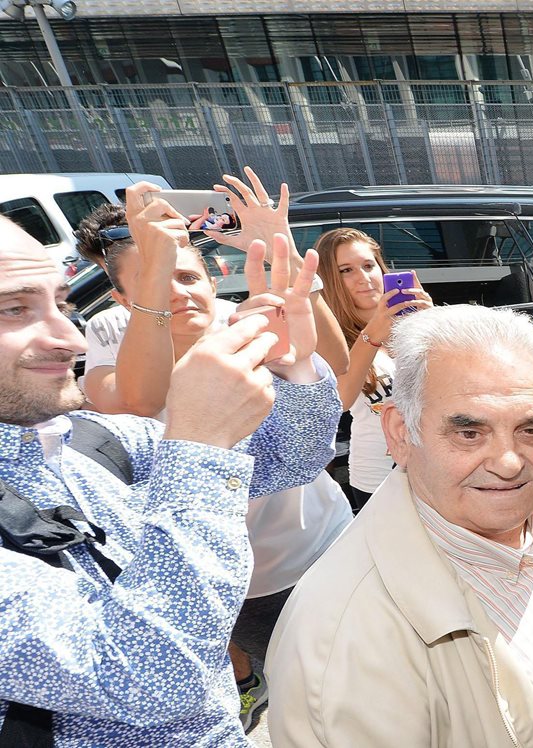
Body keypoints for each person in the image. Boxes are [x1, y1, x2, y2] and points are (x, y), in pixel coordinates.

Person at [0, 215, 340, 745]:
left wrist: (289, 368)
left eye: (62, 305)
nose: (69, 336)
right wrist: (201, 443)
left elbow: (284, 461)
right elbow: (151, 674)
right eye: (15, 309)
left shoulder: (84, 439)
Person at [266, 304, 533, 748]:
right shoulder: (344, 636)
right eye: (469, 433)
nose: (509, 463)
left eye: (531, 430)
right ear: (400, 432)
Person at [75, 177, 353, 729]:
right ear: (126, 300)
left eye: (188, 276)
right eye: (158, 282)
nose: (179, 292)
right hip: (251, 586)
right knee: (327, 698)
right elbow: (137, 399)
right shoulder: (113, 351)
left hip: (328, 540)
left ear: (211, 277)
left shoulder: (245, 320)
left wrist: (284, 250)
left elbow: (332, 364)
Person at [313, 227, 433, 508]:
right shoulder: (332, 337)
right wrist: (371, 336)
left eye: (369, 266)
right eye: (346, 270)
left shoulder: (415, 322)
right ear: (330, 279)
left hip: (435, 468)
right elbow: (339, 400)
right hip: (377, 477)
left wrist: (433, 324)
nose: (364, 278)